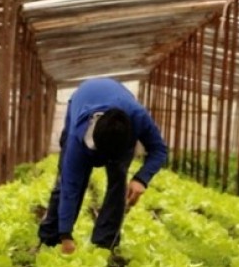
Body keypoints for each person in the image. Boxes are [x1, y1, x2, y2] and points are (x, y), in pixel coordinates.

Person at [38, 78, 168, 254]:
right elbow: (71, 187)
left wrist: (141, 179)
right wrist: (65, 235)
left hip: (121, 119)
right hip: (81, 99)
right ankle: (51, 235)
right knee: (67, 180)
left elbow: (159, 149)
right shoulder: (79, 138)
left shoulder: (138, 118)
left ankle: (104, 244)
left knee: (118, 178)